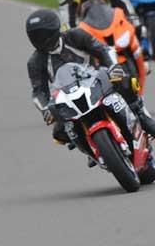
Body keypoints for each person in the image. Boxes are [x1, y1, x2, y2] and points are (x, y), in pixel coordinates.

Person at [25, 9, 155, 158]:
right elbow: (38, 91)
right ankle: (90, 150)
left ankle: (142, 117)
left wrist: (113, 67)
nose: (39, 39)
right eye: (35, 36)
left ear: (54, 30)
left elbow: (103, 50)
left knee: (126, 82)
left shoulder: (75, 36)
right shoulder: (35, 62)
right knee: (59, 133)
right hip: (69, 98)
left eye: (42, 34)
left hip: (96, 81)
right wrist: (45, 109)